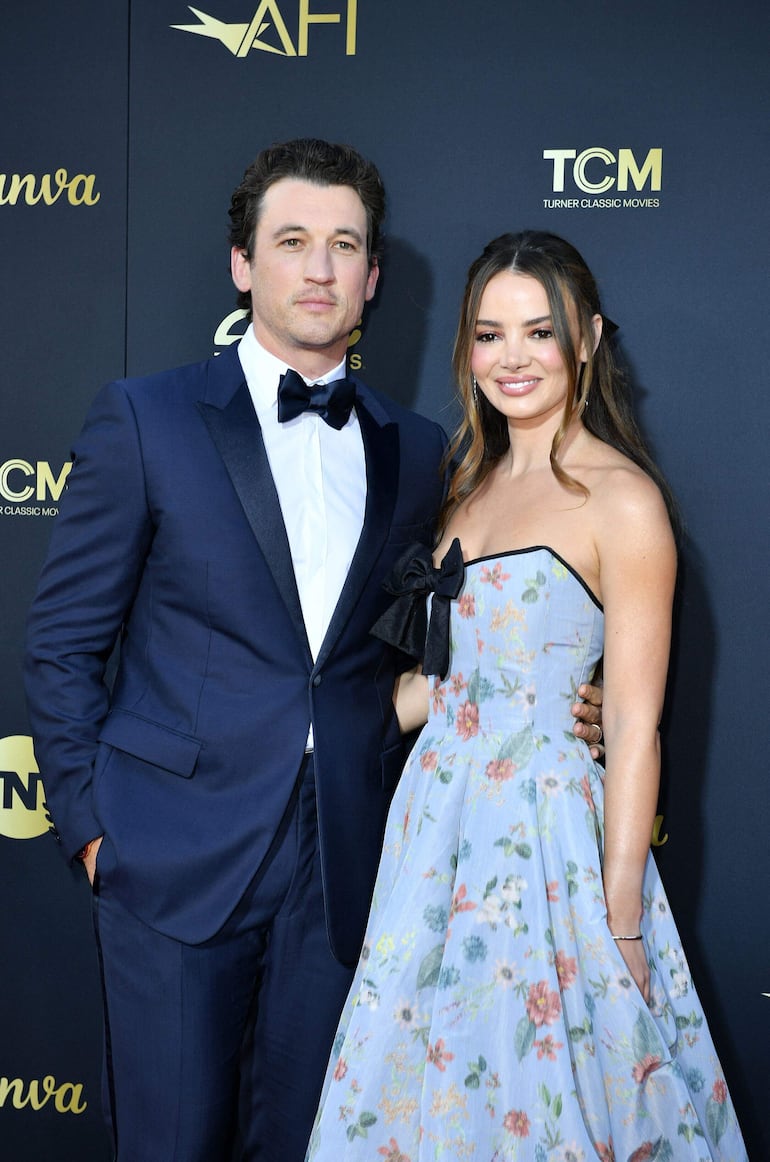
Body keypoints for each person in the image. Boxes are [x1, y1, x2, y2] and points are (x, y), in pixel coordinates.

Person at [24, 142, 604, 1161]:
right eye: (292, 242)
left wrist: (558, 692)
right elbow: (63, 642)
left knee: (312, 1144)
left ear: (373, 276)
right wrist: (91, 829)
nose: (320, 269)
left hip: (347, 863)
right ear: (244, 264)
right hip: (168, 850)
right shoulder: (144, 418)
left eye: (344, 245)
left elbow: (447, 632)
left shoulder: (419, 447)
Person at [306, 231, 747, 1160]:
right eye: (488, 334)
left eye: (538, 333)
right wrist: (304, 731)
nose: (512, 359)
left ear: (585, 338)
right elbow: (447, 680)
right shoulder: (460, 489)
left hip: (547, 843)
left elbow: (632, 724)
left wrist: (619, 920)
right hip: (434, 830)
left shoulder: (621, 499)